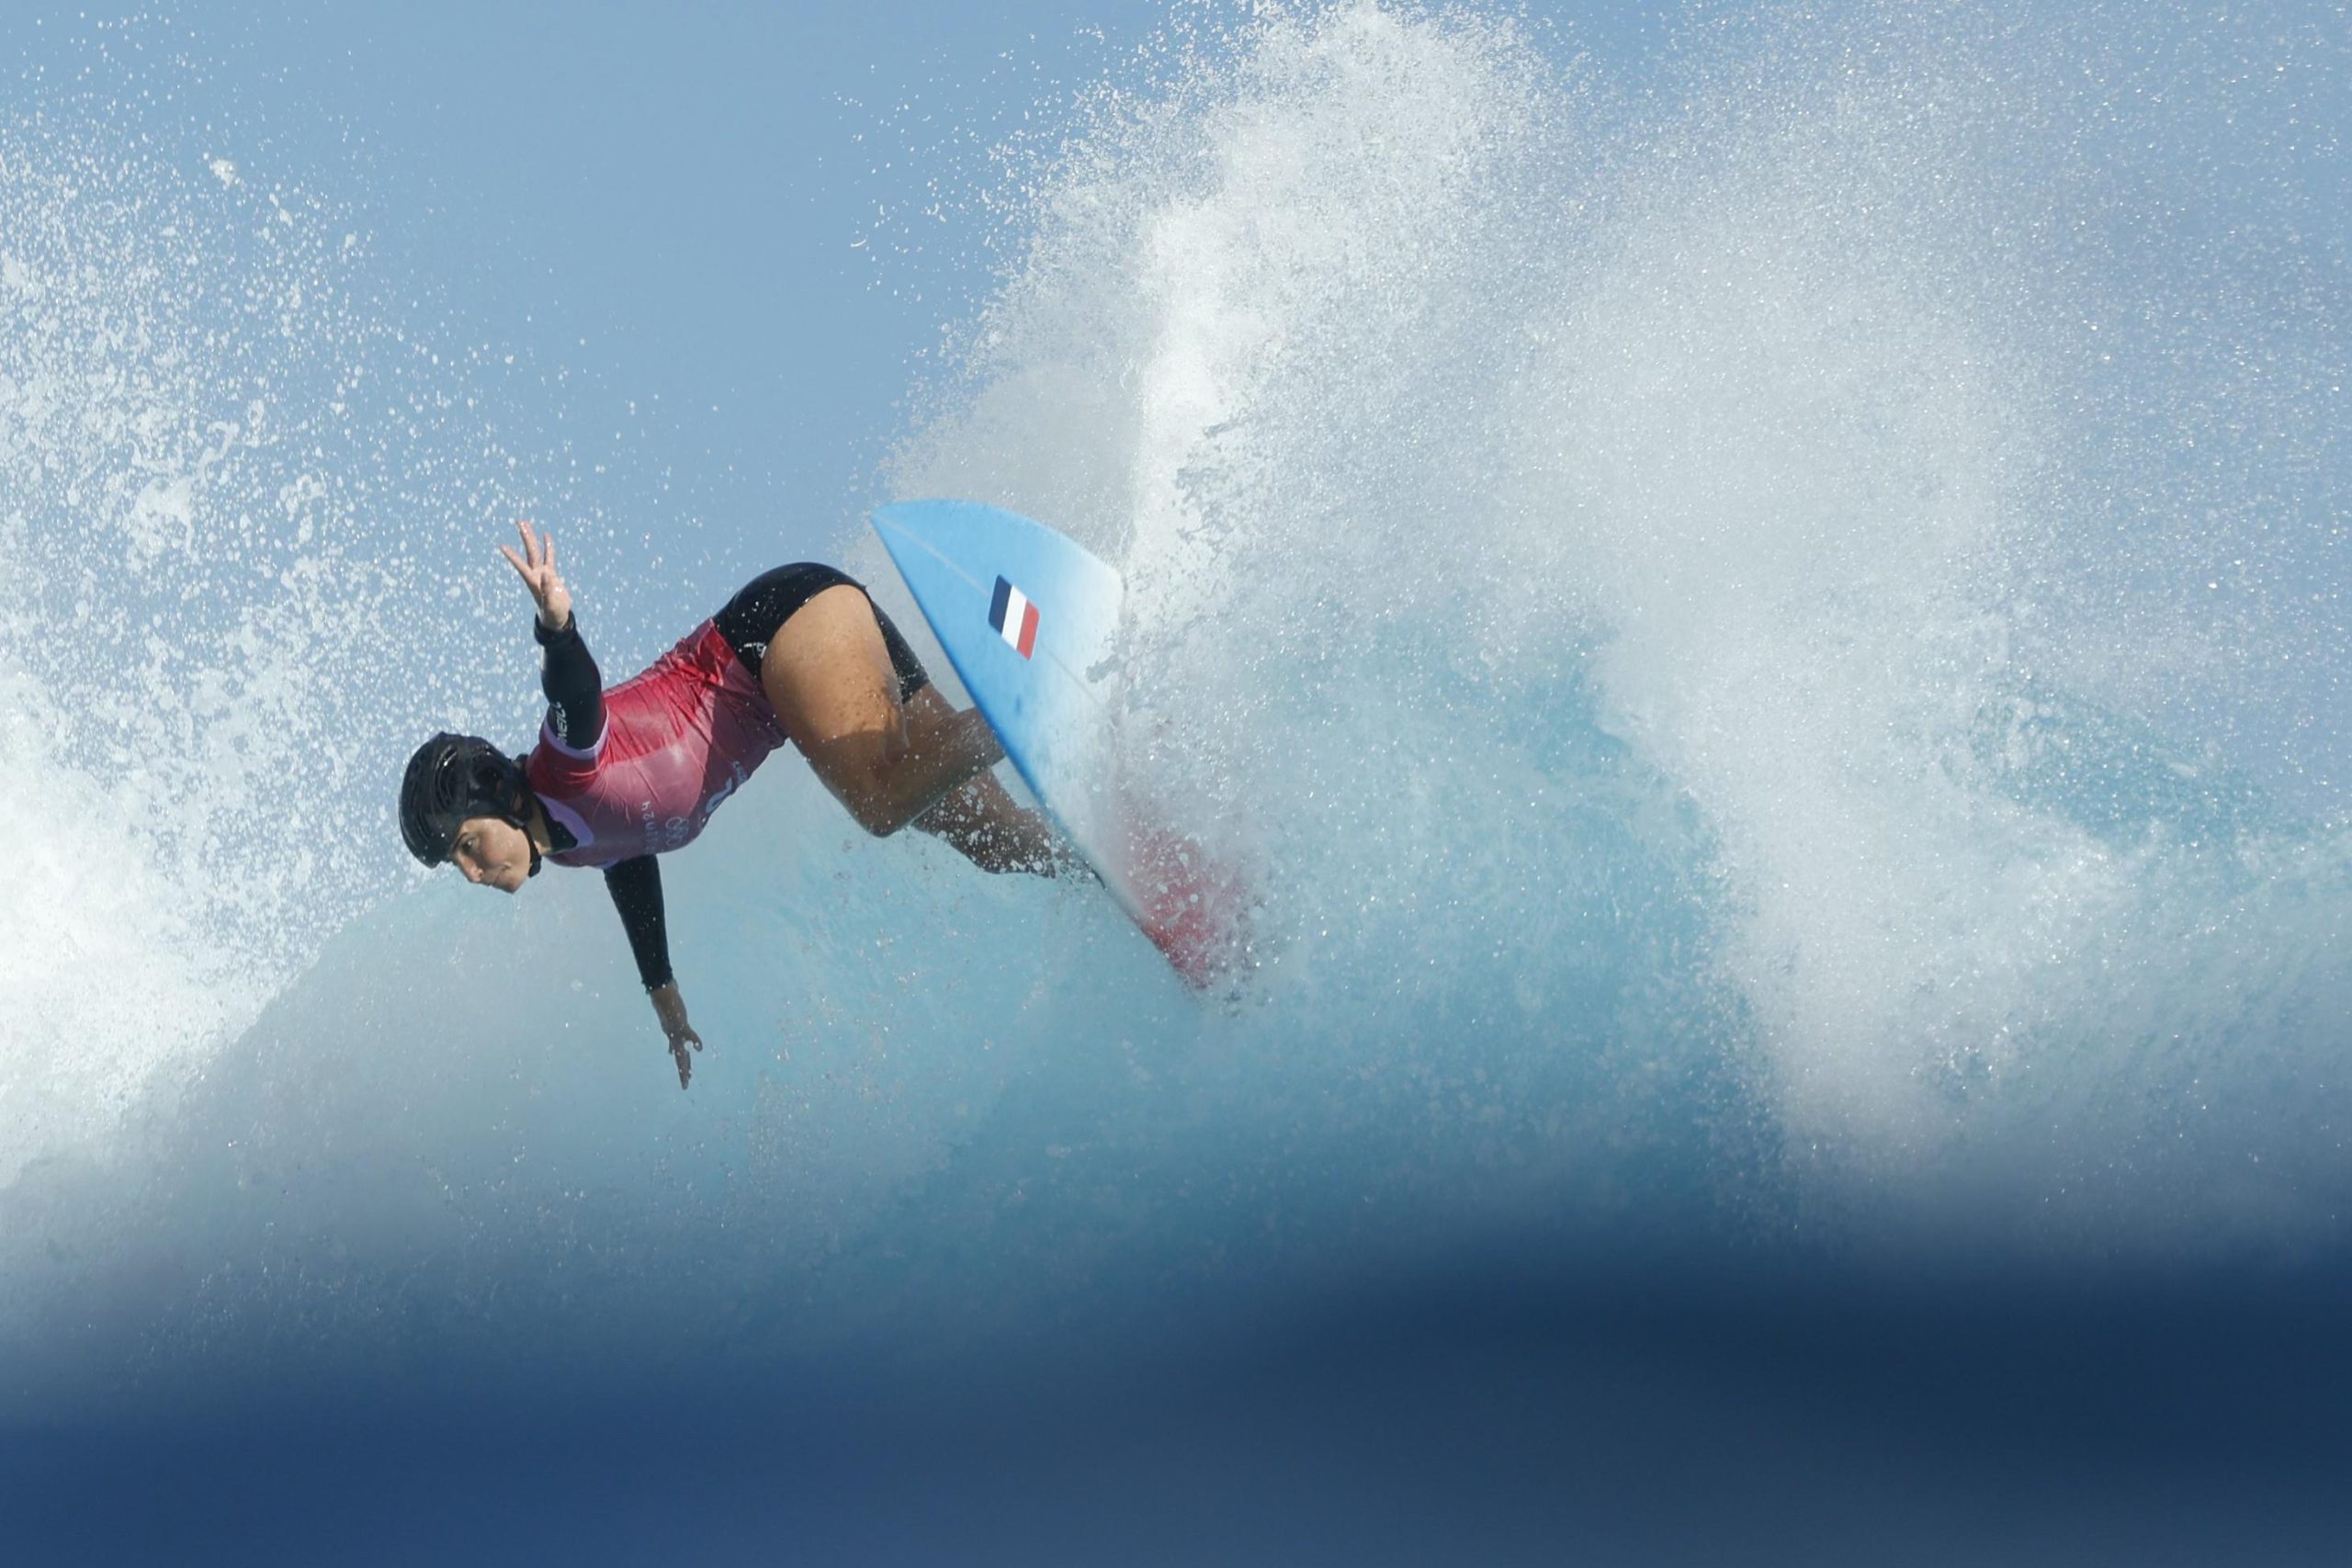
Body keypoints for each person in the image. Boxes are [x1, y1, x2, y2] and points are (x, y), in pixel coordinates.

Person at [401, 521, 1067, 1088]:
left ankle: (1040, 703)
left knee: (881, 800)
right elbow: (627, 853)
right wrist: (662, 992)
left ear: (499, 795)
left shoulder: (562, 768)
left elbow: (575, 695)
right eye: (456, 864)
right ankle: (1089, 843)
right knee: (994, 837)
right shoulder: (570, 843)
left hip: (777, 632)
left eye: (466, 845)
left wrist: (557, 629)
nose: (471, 873)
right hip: (800, 669)